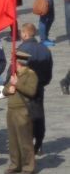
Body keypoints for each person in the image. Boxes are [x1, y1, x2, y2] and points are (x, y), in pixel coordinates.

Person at [18, 22, 52, 154]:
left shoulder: (23, 50)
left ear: (25, 34)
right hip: (40, 87)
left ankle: (27, 145)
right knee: (39, 115)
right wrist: (42, 83)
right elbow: (49, 72)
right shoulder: (44, 49)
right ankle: (39, 141)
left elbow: (15, 69)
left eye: (21, 33)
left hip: (25, 89)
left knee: (26, 118)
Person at [3, 51, 37, 174]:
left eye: (13, 61)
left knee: (25, 140)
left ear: (19, 62)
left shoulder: (30, 75)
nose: (12, 63)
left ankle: (28, 166)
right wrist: (9, 89)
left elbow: (31, 91)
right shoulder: (14, 74)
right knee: (13, 140)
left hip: (23, 110)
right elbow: (6, 88)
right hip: (11, 109)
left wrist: (17, 84)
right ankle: (15, 164)